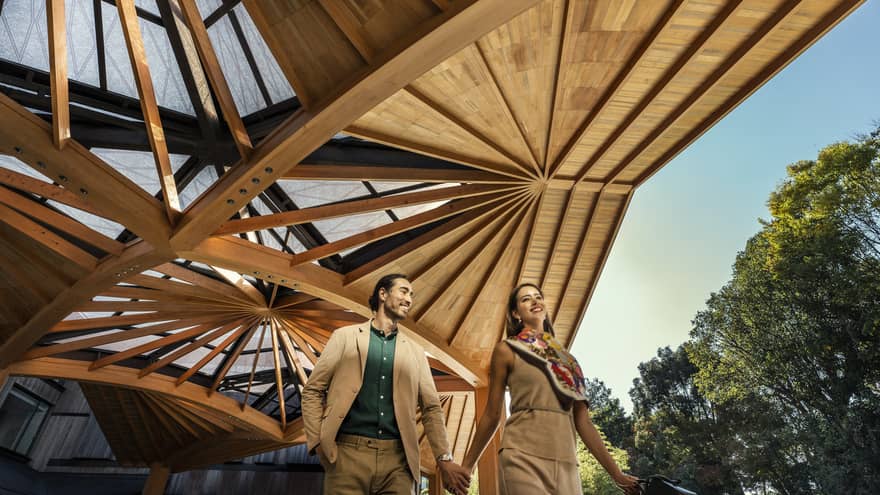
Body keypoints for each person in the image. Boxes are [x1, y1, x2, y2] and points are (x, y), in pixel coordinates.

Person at [459, 283, 641, 495]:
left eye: (538, 296)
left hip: (566, 463)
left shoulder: (570, 362)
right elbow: (492, 413)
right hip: (521, 455)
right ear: (516, 313)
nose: (535, 301)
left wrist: (616, 474)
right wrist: (467, 466)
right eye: (526, 299)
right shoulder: (507, 349)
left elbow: (583, 422)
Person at [301, 274, 471, 495]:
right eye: (403, 291)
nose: (409, 299)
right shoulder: (344, 337)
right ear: (383, 294)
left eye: (411, 295)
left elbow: (431, 408)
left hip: (399, 462)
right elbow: (313, 390)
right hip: (347, 455)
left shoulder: (416, 352)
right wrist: (317, 443)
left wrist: (444, 458)